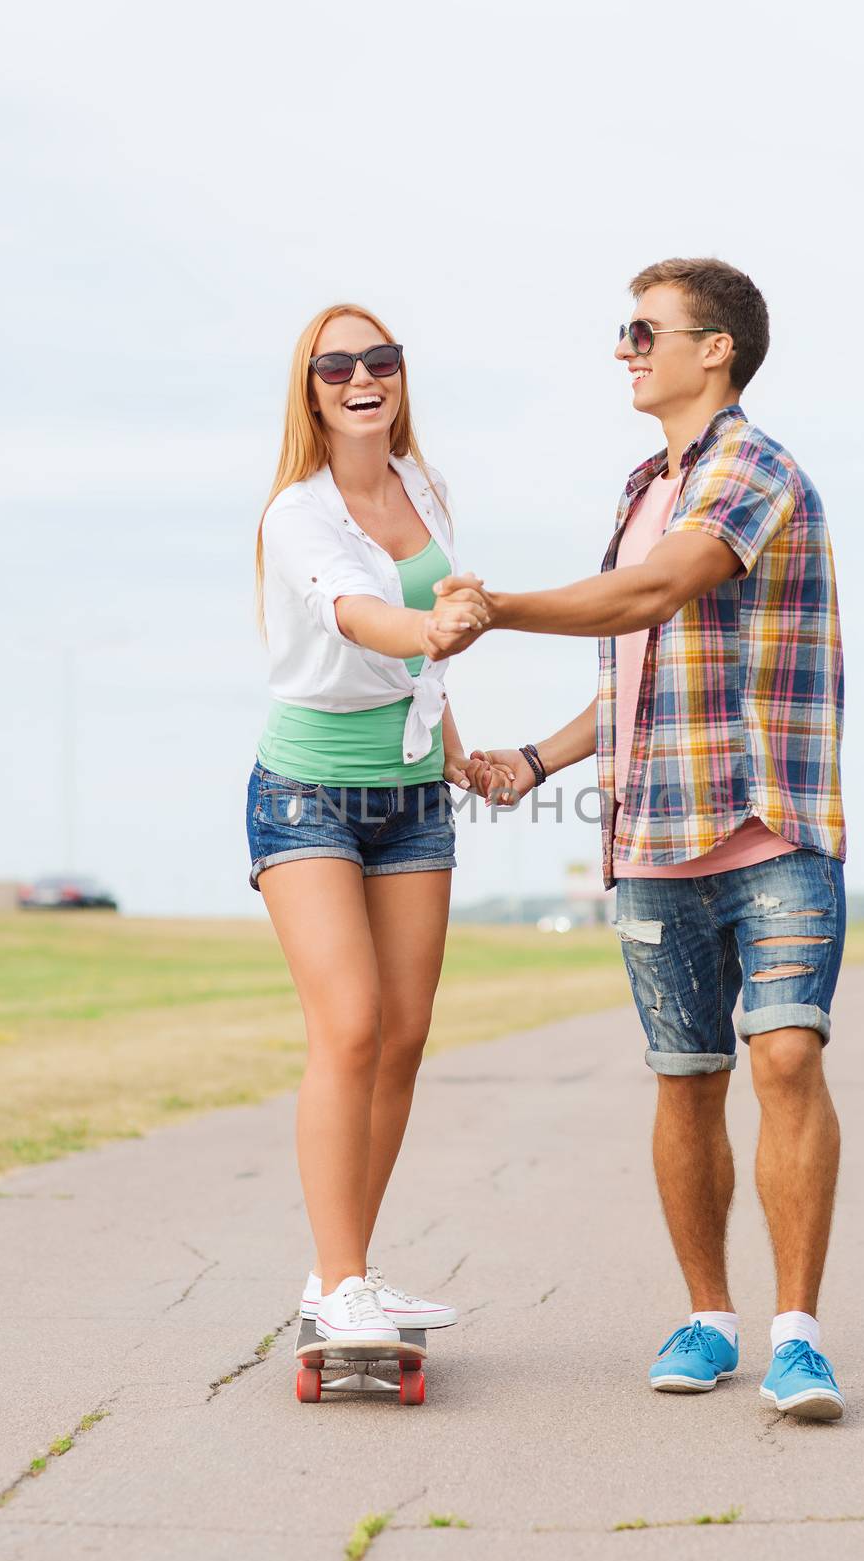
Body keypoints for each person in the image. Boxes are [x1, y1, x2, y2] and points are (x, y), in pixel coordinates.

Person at [440, 259, 849, 1420]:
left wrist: (498, 606)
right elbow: (632, 666)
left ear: (714, 348)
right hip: (652, 837)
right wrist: (536, 760)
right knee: (686, 1080)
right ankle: (710, 1318)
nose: (625, 349)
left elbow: (650, 597)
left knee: (784, 1056)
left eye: (643, 329)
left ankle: (799, 1335)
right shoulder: (640, 484)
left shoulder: (751, 468)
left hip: (769, 828)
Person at [247, 303, 494, 1345]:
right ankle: (343, 1278)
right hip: (306, 793)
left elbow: (418, 657)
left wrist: (455, 747)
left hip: (411, 798)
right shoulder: (297, 515)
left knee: (402, 1038)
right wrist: (432, 624)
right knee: (347, 1028)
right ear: (311, 390)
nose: (362, 376)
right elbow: (362, 615)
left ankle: (340, 1273)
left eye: (379, 360)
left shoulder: (423, 485)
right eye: (336, 364)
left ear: (399, 377)